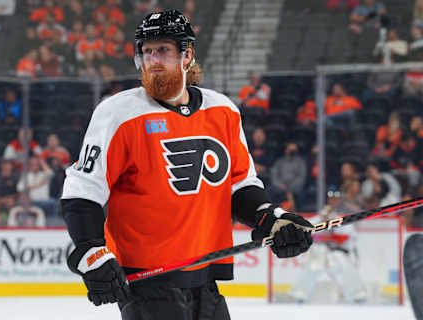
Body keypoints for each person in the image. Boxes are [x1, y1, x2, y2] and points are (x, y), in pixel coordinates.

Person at [60, 10, 314, 320]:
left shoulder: (222, 111)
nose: (153, 59)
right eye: (147, 51)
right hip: (147, 282)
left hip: (205, 277)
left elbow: (239, 186)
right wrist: (91, 250)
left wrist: (272, 219)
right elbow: (83, 191)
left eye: (163, 50)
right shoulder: (118, 114)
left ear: (187, 55)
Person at [289, 187, 367, 304]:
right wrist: (322, 221)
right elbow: (308, 232)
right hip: (321, 250)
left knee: (344, 264)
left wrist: (331, 227)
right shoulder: (320, 216)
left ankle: (358, 295)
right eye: (331, 198)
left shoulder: (343, 217)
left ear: (340, 200)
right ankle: (300, 294)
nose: (333, 201)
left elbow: (344, 238)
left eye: (336, 198)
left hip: (338, 251)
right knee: (314, 263)